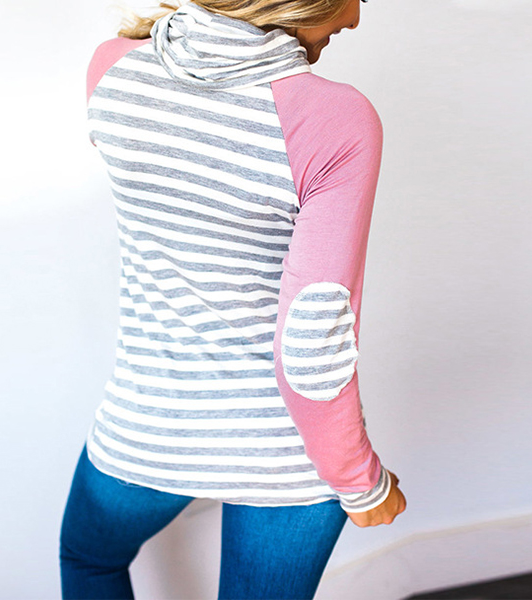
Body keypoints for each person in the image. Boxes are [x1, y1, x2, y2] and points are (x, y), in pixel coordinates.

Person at [59, 0, 407, 597]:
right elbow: (312, 337)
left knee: (89, 561)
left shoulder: (111, 69)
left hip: (149, 424)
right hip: (287, 454)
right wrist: (360, 483)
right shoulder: (336, 119)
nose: (355, 19)